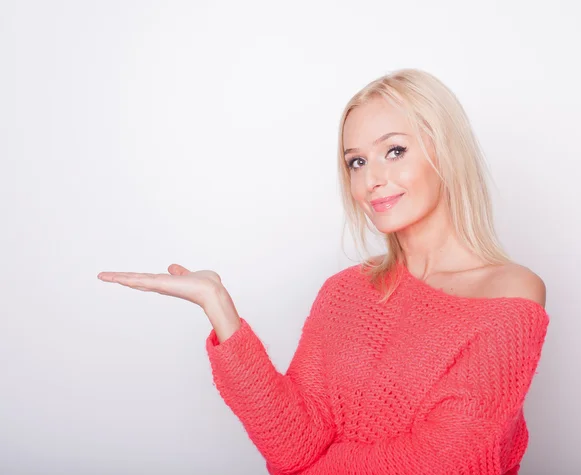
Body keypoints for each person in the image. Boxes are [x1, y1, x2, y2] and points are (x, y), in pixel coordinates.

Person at [98, 69, 549, 474]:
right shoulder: (344, 291)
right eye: (357, 161)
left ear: (445, 152)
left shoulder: (509, 293)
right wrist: (221, 310)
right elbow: (294, 443)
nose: (372, 178)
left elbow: (444, 461)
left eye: (394, 150)